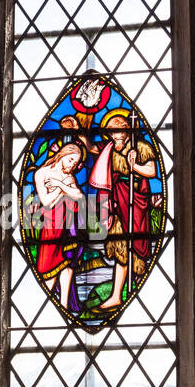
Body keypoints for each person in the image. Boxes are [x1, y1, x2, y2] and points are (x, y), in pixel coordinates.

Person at [89, 109, 158, 310]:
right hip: (117, 203)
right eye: (112, 126)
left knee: (136, 246)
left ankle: (136, 288)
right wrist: (82, 125)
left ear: (128, 129)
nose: (116, 128)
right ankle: (117, 295)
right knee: (120, 247)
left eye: (120, 125)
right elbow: (89, 147)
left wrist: (134, 165)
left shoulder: (141, 147)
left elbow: (152, 171)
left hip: (135, 201)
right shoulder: (106, 148)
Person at [32, 142, 86, 310]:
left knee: (68, 263)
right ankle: (46, 306)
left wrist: (60, 186)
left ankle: (63, 305)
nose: (72, 165)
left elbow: (78, 195)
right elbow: (46, 202)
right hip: (51, 225)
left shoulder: (69, 177)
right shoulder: (42, 173)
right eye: (70, 160)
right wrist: (64, 190)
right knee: (48, 265)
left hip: (69, 224)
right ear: (62, 155)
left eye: (75, 163)